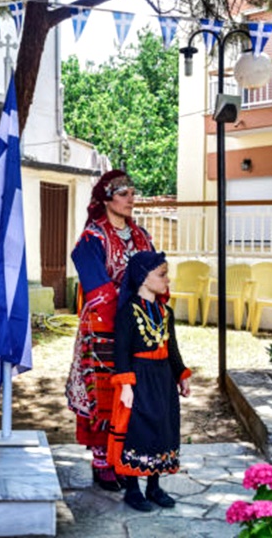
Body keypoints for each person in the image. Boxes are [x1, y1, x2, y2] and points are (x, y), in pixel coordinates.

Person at [65, 169, 156, 493]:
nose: (132, 198)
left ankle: (123, 456)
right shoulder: (93, 237)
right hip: (104, 326)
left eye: (133, 192)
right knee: (105, 393)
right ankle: (102, 460)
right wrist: (127, 309)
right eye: (124, 193)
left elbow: (157, 273)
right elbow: (97, 286)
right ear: (106, 198)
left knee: (135, 391)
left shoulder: (142, 236)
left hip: (139, 325)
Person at [108, 251, 191, 511]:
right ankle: (133, 489)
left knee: (161, 429)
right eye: (162, 274)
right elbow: (120, 352)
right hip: (139, 378)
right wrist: (125, 385)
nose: (167, 279)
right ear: (143, 278)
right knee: (139, 430)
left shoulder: (166, 312)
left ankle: (154, 487)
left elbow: (173, 349)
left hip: (163, 379)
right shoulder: (128, 312)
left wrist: (181, 375)